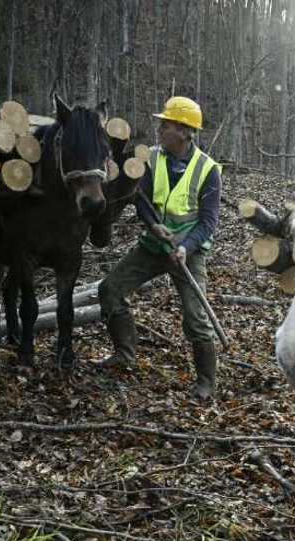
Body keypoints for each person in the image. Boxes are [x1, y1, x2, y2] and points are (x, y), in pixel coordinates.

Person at [97, 96, 223, 401]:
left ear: (183, 131)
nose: (160, 129)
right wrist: (154, 226)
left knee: (196, 318)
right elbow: (140, 199)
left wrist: (186, 247)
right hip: (153, 246)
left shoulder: (208, 170)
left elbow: (208, 222)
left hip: (188, 254)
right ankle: (124, 354)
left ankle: (207, 381)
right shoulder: (151, 158)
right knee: (109, 290)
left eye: (165, 125)